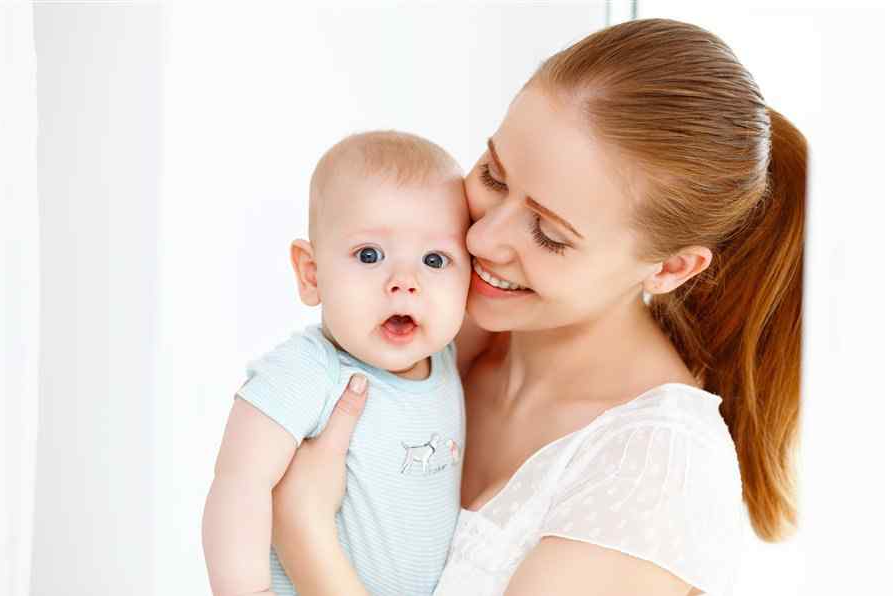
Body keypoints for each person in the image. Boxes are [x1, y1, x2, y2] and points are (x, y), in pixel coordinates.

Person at [268, 18, 806, 596]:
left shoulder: (654, 471)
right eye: (493, 176)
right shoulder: (440, 329)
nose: (480, 241)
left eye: (549, 234)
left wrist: (303, 530)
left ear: (671, 268)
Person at [203, 130, 475, 596]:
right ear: (312, 274)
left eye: (435, 259)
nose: (404, 282)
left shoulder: (447, 361)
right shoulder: (308, 371)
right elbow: (237, 484)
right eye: (369, 255)